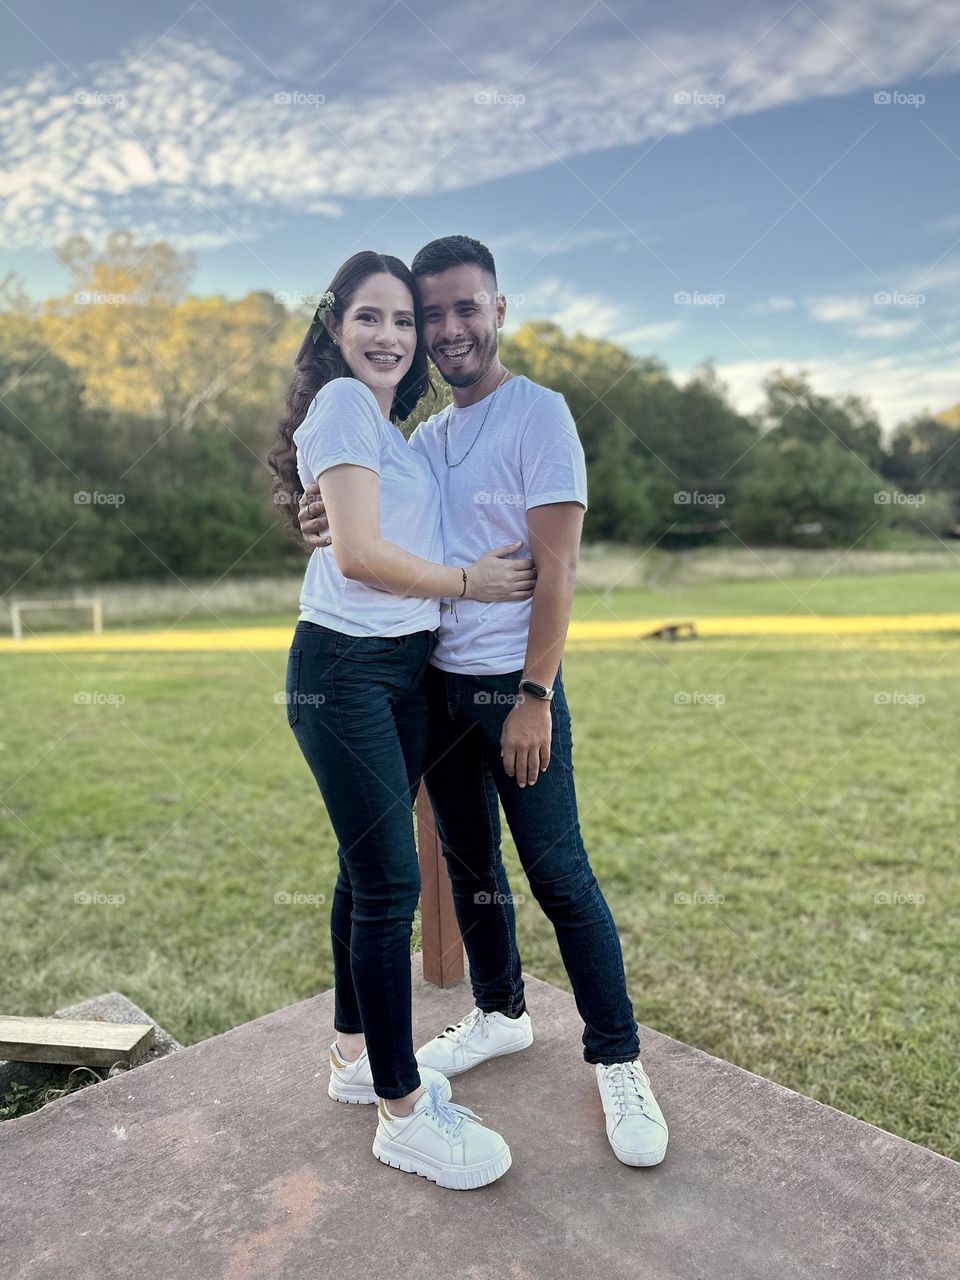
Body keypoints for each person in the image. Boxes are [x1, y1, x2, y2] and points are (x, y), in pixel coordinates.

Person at [298, 235, 669, 1168]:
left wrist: (537, 693)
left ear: (499, 311)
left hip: (513, 688)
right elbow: (368, 530)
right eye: (433, 315)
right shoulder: (418, 436)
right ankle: (500, 1011)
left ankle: (618, 1058)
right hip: (431, 680)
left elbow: (560, 570)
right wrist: (316, 513)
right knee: (468, 866)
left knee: (560, 875)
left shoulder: (540, 416)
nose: (448, 328)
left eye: (467, 308)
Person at [269, 249, 536, 1189]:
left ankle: (351, 1056)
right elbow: (362, 559)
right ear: (335, 329)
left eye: (404, 322)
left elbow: (363, 526)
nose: (391, 337)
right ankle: (402, 1109)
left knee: (363, 871)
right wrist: (473, 581)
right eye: (369, 319)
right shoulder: (343, 403)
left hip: (406, 670)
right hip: (342, 669)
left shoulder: (396, 429)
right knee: (388, 884)